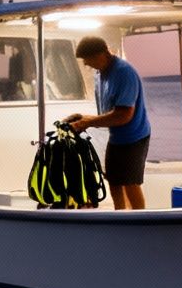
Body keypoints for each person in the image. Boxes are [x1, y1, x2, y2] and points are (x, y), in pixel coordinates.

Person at [64, 36, 150, 210]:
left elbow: (124, 115)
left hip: (134, 136)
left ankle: (140, 221)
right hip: (117, 136)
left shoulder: (124, 72)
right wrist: (82, 117)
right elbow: (107, 113)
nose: (88, 65)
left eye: (90, 60)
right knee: (114, 179)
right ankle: (120, 216)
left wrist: (88, 122)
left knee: (130, 182)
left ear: (103, 54)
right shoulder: (100, 74)